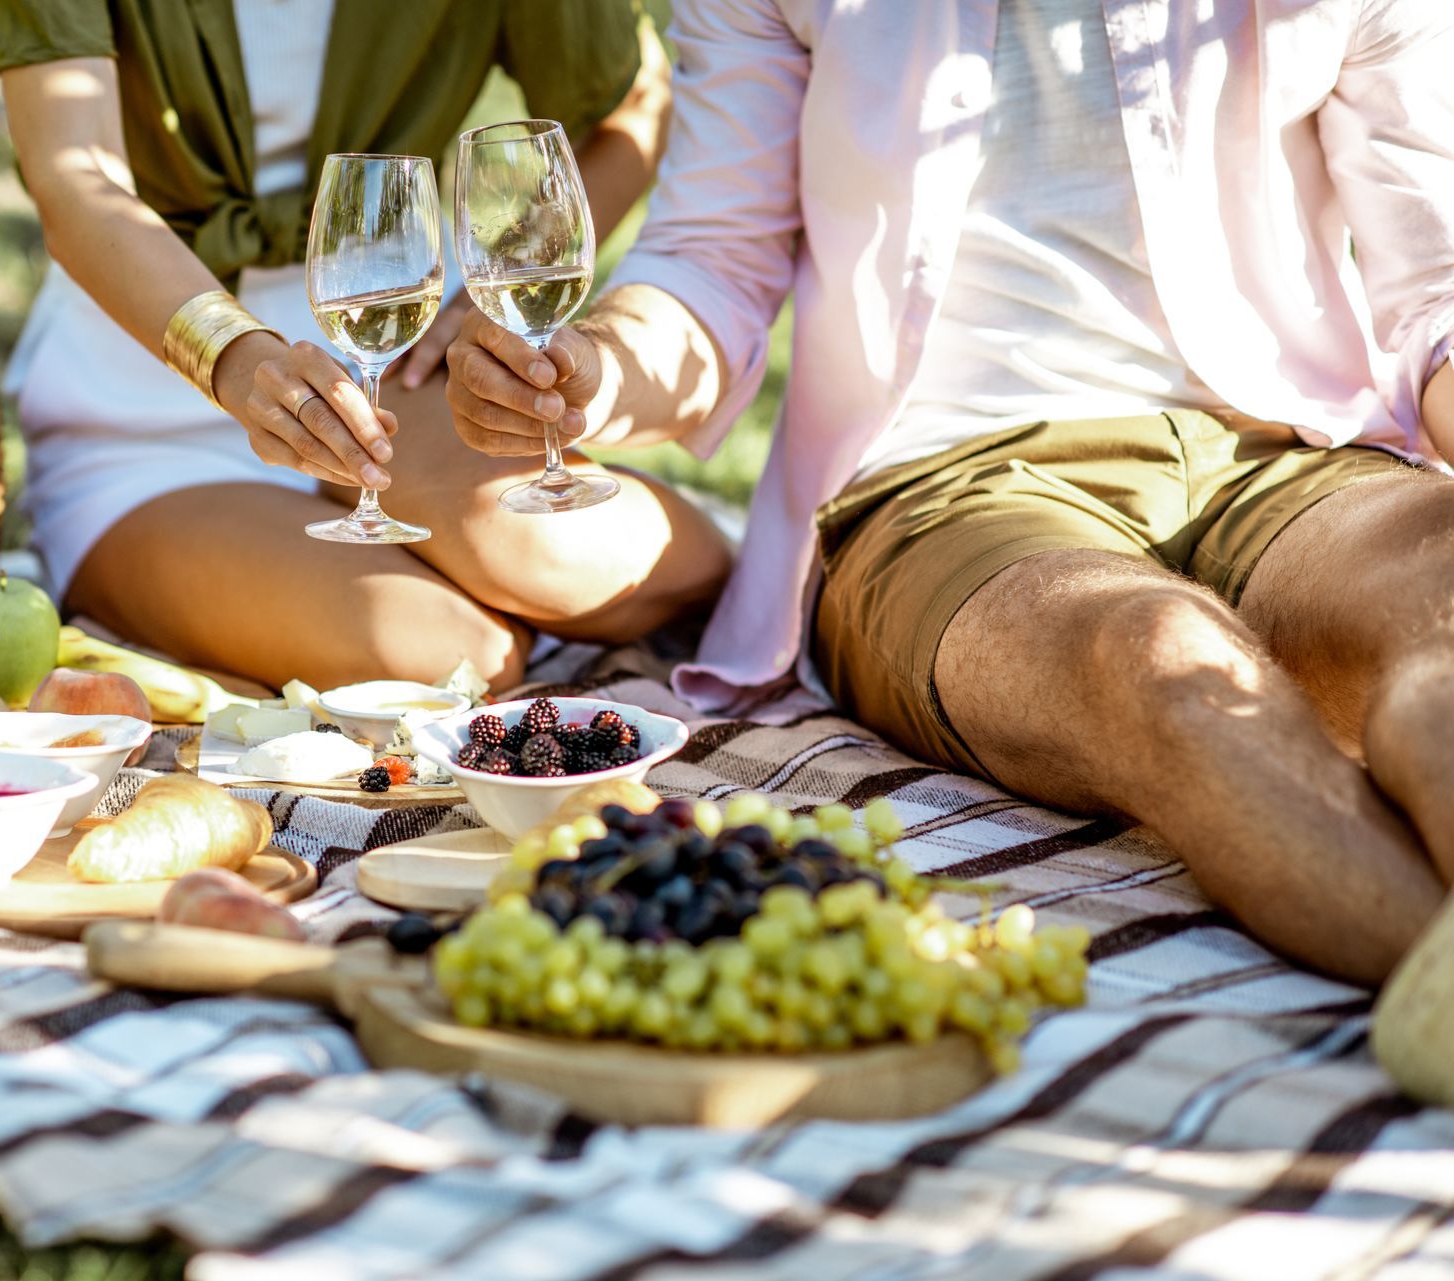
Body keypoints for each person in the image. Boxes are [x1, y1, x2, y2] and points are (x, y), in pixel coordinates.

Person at [445, 0, 1454, 986]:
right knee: (1157, 663)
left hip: (1292, 454)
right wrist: (599, 371)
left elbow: (1438, 291)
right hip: (945, 486)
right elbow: (713, 259)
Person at [0, 0, 729, 694]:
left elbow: (630, 107)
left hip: (393, 358)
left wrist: (480, 294)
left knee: (598, 561)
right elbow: (73, 177)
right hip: (145, 398)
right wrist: (235, 356)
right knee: (447, 657)